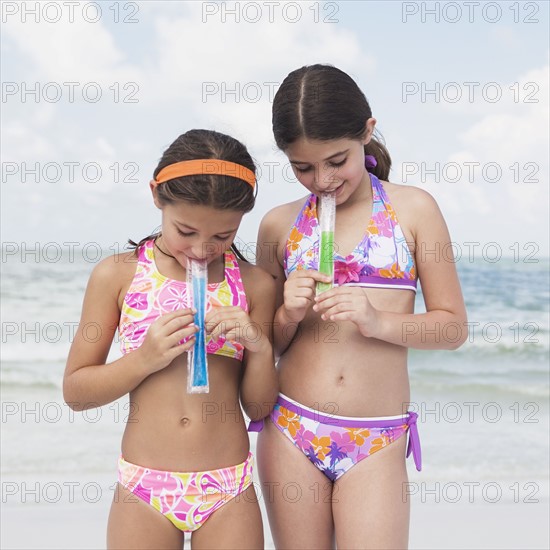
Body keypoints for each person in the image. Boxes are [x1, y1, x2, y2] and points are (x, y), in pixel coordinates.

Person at [254, 64, 467, 549]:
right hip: (291, 429)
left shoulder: (413, 211)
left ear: (367, 132)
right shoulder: (277, 225)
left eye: (337, 161)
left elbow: (452, 328)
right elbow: (264, 344)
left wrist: (379, 321)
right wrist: (286, 314)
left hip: (376, 438)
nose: (323, 179)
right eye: (302, 168)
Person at [63, 129, 278, 549]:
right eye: (186, 230)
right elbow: (76, 391)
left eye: (223, 236)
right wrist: (144, 358)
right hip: (144, 487)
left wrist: (259, 346)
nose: (202, 249)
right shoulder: (118, 275)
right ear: (157, 195)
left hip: (227, 486)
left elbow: (258, 406)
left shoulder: (255, 285)